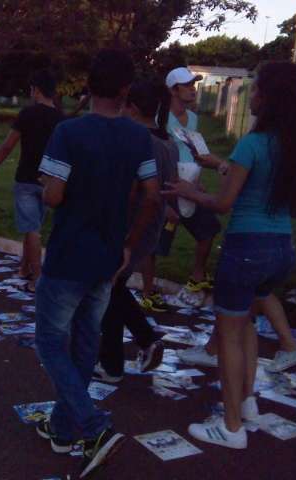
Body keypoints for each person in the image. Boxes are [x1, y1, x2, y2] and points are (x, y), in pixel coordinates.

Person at [165, 61, 296, 449]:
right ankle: (247, 407)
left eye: (257, 89)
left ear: (270, 98)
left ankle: (230, 428)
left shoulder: (252, 144)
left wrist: (190, 193)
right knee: (245, 326)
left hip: (247, 248)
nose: (253, 95)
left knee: (228, 336)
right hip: (282, 251)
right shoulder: (295, 146)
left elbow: (223, 203)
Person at [34, 50, 161, 477]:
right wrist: (129, 243)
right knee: (86, 343)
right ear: (126, 91)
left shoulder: (69, 131)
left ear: (88, 86)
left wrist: (49, 185)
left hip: (70, 251)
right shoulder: (138, 137)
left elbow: (52, 195)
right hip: (109, 255)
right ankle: (63, 426)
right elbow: (150, 193)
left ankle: (92, 425)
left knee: (51, 341)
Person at [95, 80, 179, 382]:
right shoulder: (167, 141)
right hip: (151, 226)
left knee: (110, 290)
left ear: (131, 108)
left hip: (132, 226)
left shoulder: (138, 141)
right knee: (113, 289)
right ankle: (141, 341)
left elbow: (137, 192)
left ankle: (115, 361)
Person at [140, 67, 222, 306]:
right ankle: (147, 292)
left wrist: (198, 179)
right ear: (172, 90)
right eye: (187, 85)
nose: (192, 89)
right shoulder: (159, 117)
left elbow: (193, 150)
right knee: (155, 241)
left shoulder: (194, 118)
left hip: (192, 183)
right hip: (168, 183)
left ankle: (197, 275)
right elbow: (155, 151)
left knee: (208, 230)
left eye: (193, 84)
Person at [0, 69, 63, 292]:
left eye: (31, 89)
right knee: (32, 226)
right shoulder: (61, 119)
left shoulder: (27, 114)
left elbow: (8, 144)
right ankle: (23, 269)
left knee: (31, 229)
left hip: (26, 179)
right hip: (50, 181)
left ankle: (38, 278)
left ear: (36, 90)